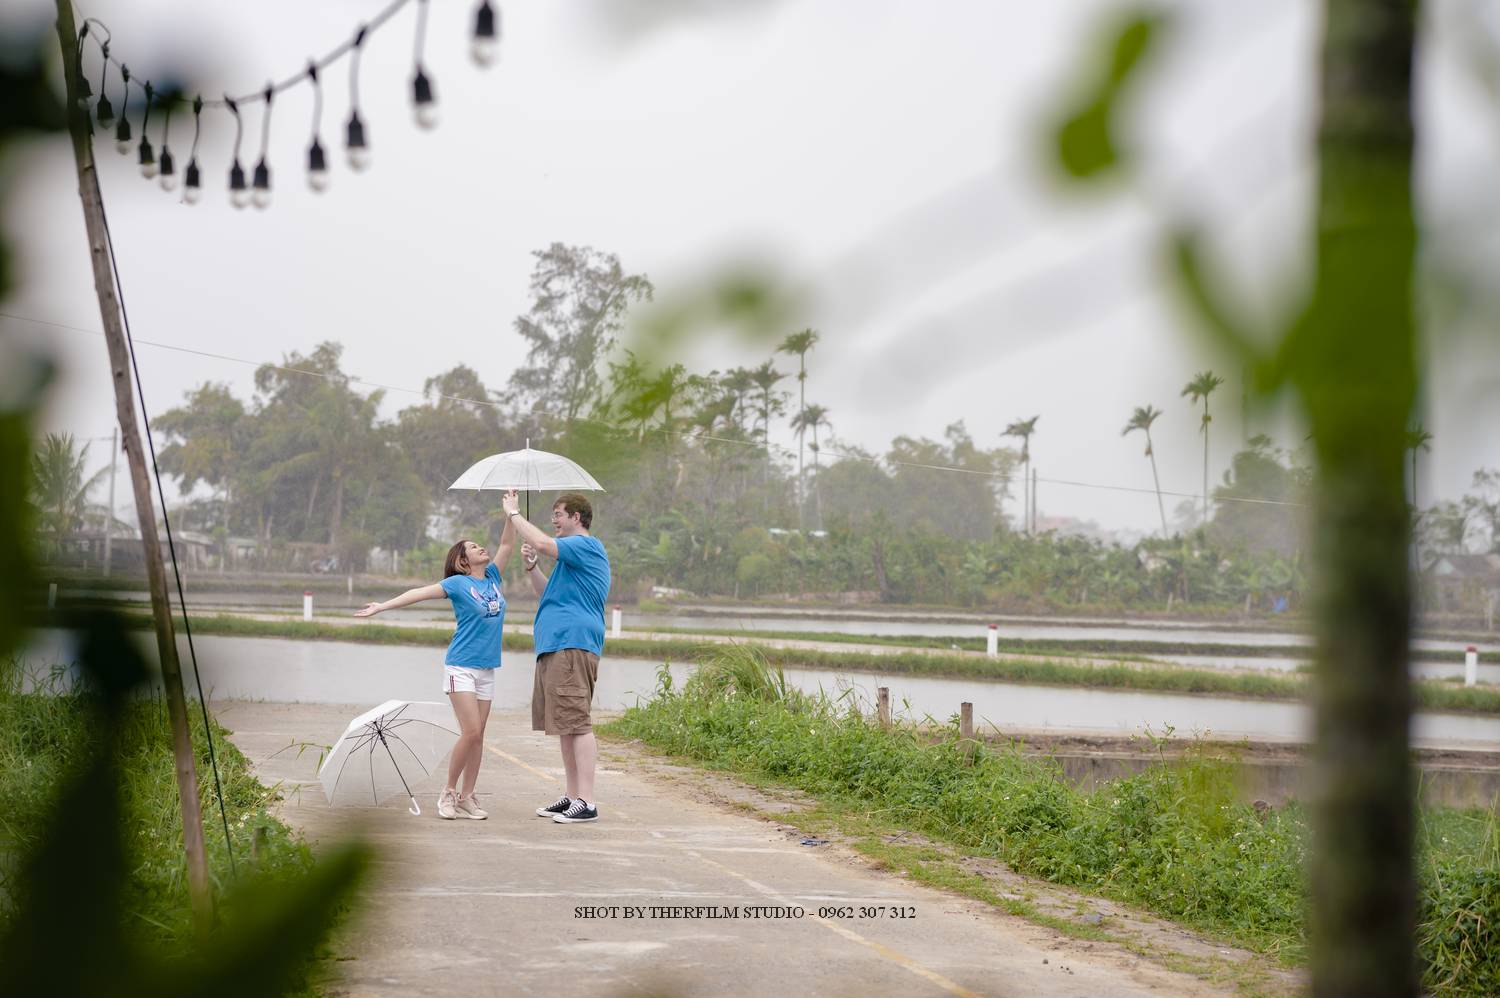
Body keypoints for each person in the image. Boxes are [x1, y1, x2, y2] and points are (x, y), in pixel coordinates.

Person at [353, 492, 518, 820]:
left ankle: (468, 797)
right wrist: (382, 606)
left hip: (487, 669)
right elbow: (418, 594)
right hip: (461, 667)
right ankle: (448, 792)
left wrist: (511, 513)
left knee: (479, 736)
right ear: (461, 561)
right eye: (472, 547)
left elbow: (507, 546)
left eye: (478, 544)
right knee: (469, 732)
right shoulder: (457, 584)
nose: (479, 548)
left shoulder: (493, 578)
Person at [502, 490, 611, 824]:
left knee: (577, 722)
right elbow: (547, 594)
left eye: (559, 514)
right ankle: (572, 795)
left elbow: (547, 543)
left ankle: (588, 801)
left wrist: (514, 514)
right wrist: (533, 567)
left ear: (577, 517)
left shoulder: (587, 546)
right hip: (555, 645)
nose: (554, 520)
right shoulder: (570, 560)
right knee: (565, 724)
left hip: (573, 643)